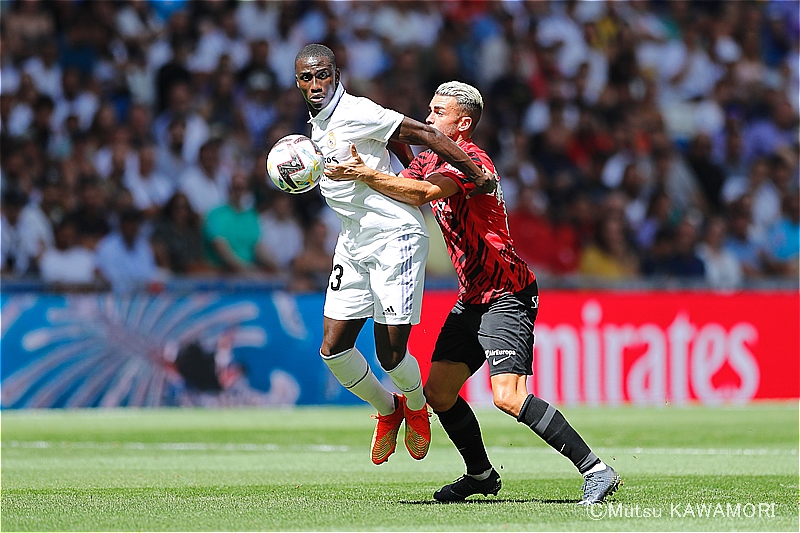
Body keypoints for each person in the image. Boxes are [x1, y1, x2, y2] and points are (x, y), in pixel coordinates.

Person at [325, 81, 619, 505]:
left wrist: (367, 174)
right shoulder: (427, 158)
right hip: (473, 298)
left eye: (437, 112)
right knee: (439, 393)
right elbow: (403, 192)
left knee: (508, 396)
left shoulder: (472, 160)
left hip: (507, 294)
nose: (427, 118)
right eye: (428, 109)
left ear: (462, 123)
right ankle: (480, 475)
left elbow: (423, 193)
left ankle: (597, 469)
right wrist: (367, 162)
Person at [293, 44, 494, 466]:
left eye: (322, 75)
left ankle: (417, 407)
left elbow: (427, 134)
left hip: (394, 238)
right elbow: (402, 149)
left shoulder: (356, 110)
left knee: (391, 353)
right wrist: (407, 168)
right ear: (298, 81)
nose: (315, 84)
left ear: (336, 73)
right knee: (333, 351)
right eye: (306, 78)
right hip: (353, 240)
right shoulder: (318, 124)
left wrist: (476, 175)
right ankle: (389, 409)